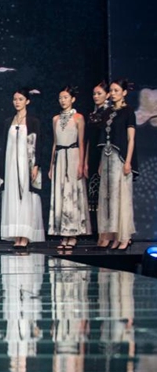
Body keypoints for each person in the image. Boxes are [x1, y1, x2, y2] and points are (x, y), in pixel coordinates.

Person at [0, 88, 45, 248]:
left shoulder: (33, 122)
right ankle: (16, 234)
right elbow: (4, 146)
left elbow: (38, 145)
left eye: (20, 99)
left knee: (26, 198)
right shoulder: (8, 122)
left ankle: (25, 235)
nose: (17, 102)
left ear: (27, 101)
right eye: (15, 99)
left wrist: (36, 165)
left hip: (26, 165)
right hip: (11, 165)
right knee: (12, 198)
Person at [48, 86, 90, 249]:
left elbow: (81, 142)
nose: (63, 100)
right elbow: (54, 143)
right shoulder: (55, 119)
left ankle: (72, 233)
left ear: (72, 99)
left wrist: (81, 163)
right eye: (60, 98)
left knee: (72, 193)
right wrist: (51, 165)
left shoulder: (78, 118)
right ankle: (62, 233)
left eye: (66, 97)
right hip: (60, 157)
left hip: (72, 155)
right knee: (60, 193)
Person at [97, 79, 137, 250]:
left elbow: (131, 139)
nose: (112, 93)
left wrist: (128, 161)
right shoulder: (107, 112)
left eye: (116, 90)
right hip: (107, 157)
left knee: (121, 196)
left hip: (120, 158)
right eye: (111, 91)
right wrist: (100, 162)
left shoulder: (128, 112)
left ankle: (124, 236)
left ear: (124, 92)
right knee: (107, 197)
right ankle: (112, 234)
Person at [84, 82, 109, 245]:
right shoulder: (93, 114)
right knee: (93, 195)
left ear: (107, 95)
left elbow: (106, 139)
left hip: (103, 155)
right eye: (94, 93)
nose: (96, 96)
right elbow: (88, 140)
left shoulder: (109, 113)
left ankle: (105, 234)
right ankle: (97, 232)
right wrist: (85, 161)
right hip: (91, 155)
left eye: (99, 93)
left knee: (104, 197)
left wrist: (102, 161)